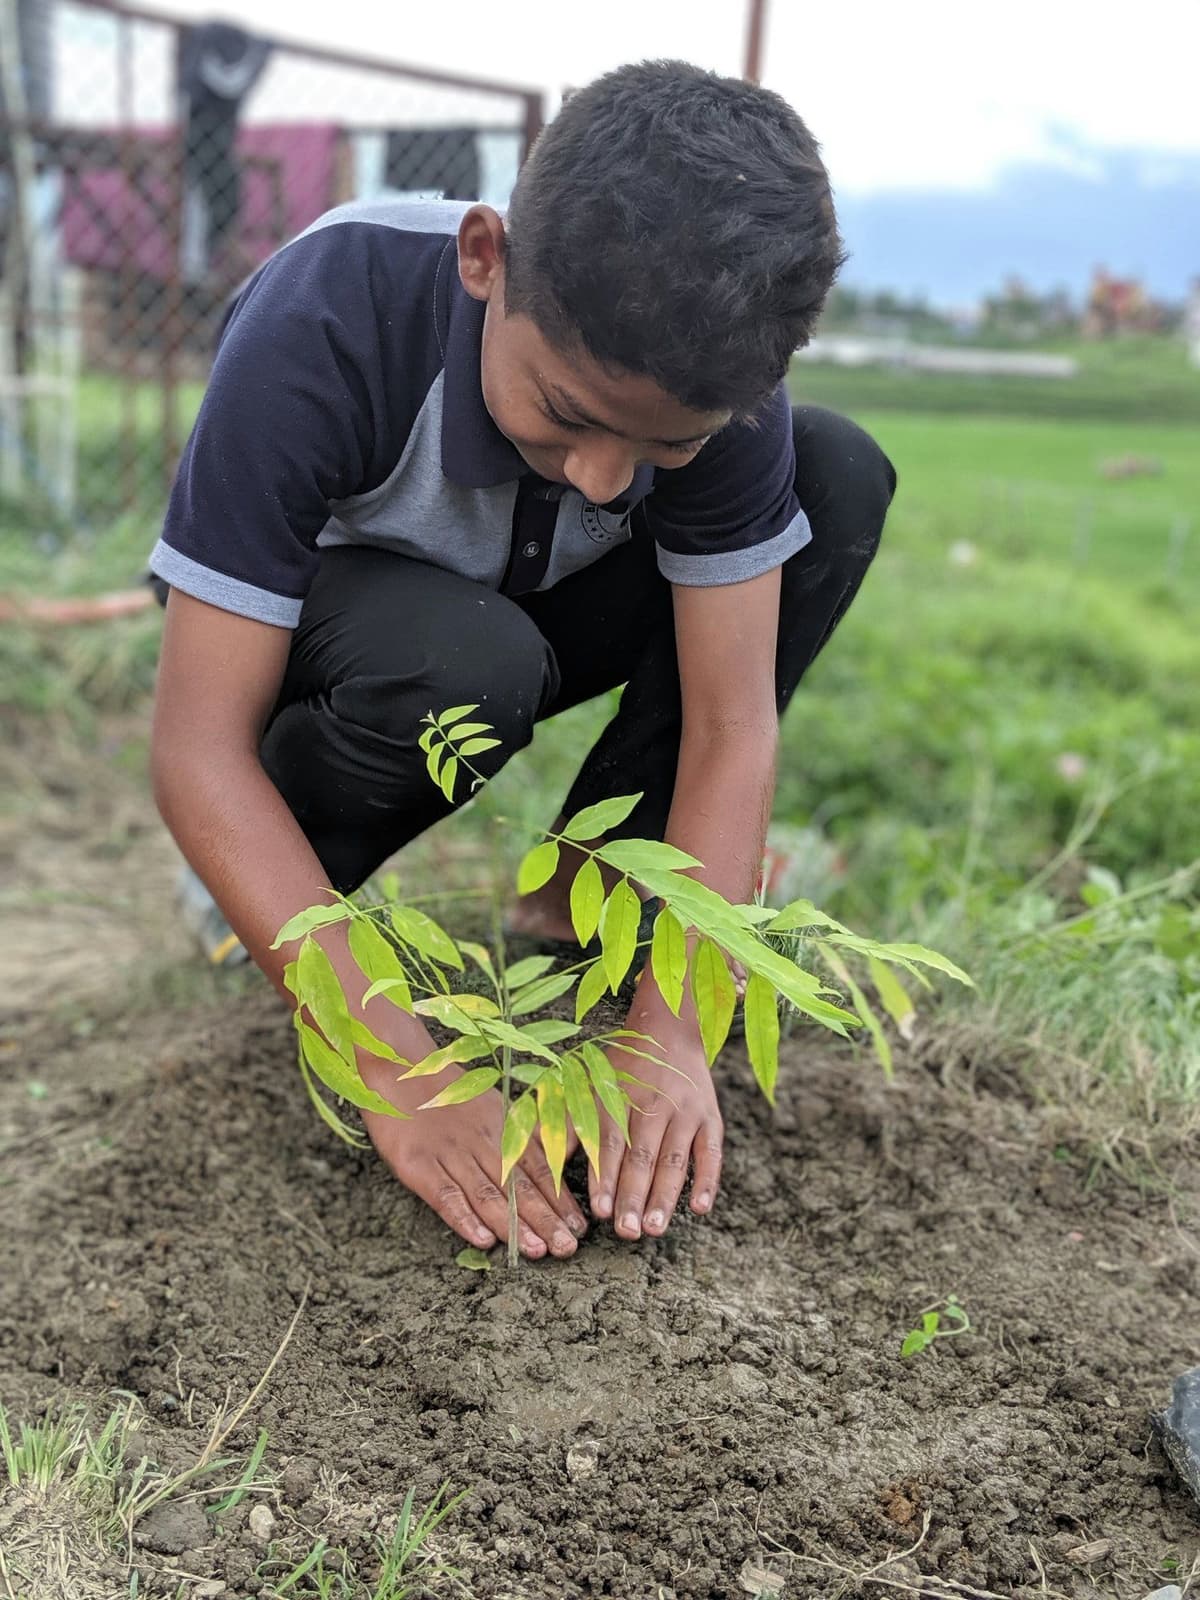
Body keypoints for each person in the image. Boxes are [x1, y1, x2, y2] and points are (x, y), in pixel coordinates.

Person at [149, 59, 896, 1262]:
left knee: (837, 474)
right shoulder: (328, 311)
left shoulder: (715, 378)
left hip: (530, 607)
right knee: (470, 667)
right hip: (352, 646)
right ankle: (268, 899)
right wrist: (393, 1061)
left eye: (666, 448)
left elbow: (730, 725)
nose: (604, 478)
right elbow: (194, 744)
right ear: (485, 258)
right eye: (566, 413)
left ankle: (578, 902)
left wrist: (673, 1024)